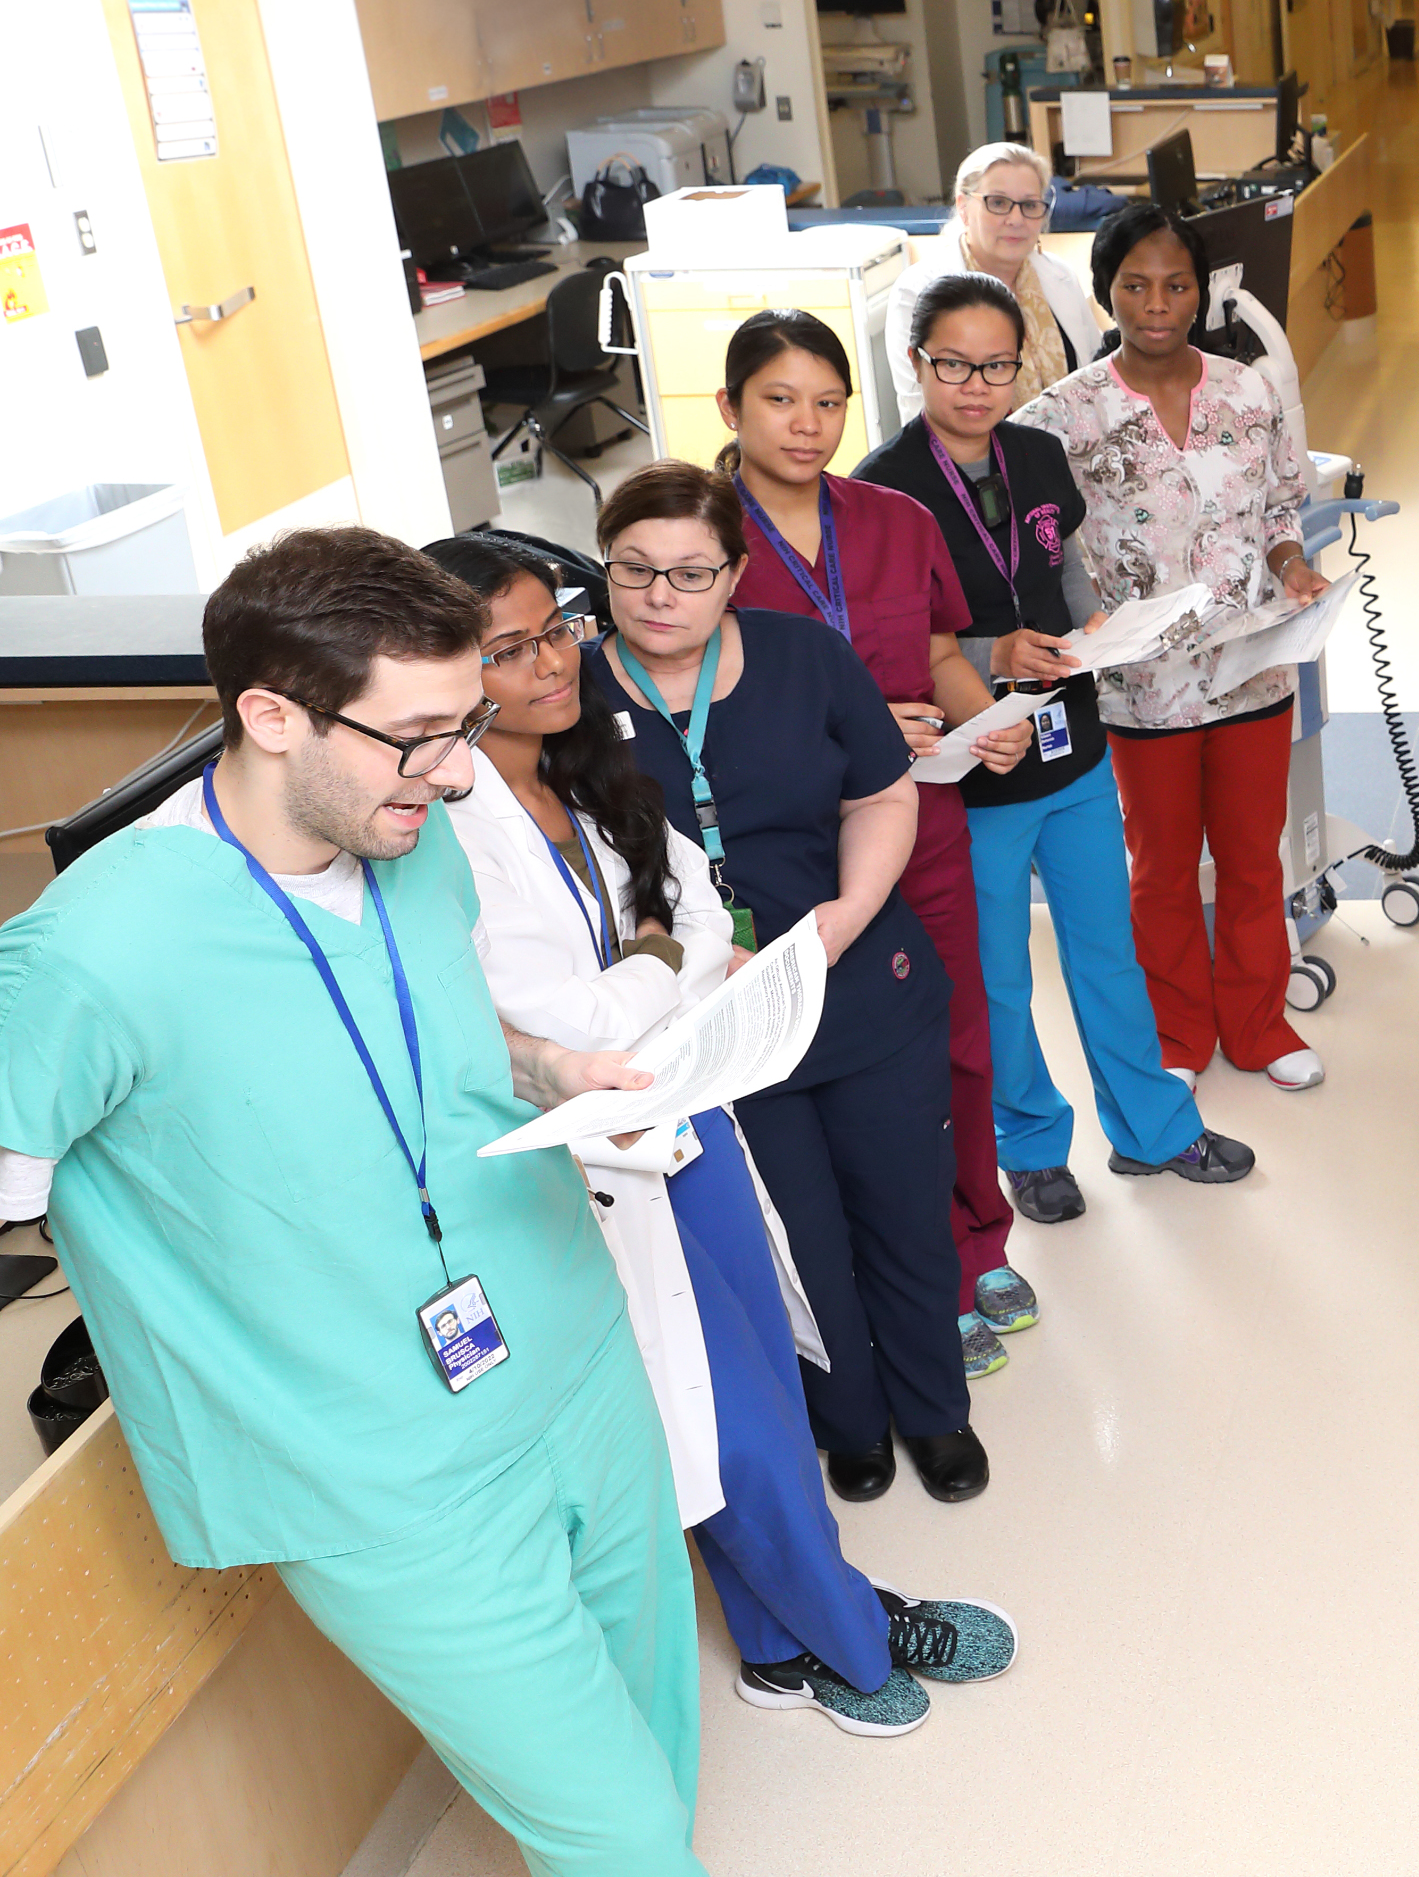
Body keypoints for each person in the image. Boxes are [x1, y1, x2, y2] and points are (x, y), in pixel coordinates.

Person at [0, 529, 706, 1874]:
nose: (457, 774)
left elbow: (437, 1016)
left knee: (653, 1738)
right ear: (270, 715)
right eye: (420, 737)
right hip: (376, 1468)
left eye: (468, 725)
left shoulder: (406, 833)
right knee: (617, 1833)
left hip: (572, 1349)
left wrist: (553, 1064)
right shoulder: (92, 951)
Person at [432, 532, 1018, 1736]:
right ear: (447, 672)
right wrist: (664, 954)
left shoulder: (572, 764)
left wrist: (665, 947)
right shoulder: (458, 825)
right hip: (608, 1154)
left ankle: (780, 1634)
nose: (555, 657)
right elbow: (586, 1013)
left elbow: (699, 898)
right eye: (513, 646)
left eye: (558, 627)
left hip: (682, 1117)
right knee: (727, 1414)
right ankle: (839, 1636)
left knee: (742, 1387)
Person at [595, 460, 990, 1505]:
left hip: (856, 982)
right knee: (797, 1237)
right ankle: (850, 1420)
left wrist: (847, 915)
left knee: (902, 1211)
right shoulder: (576, 699)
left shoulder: (804, 654)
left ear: (734, 573)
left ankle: (935, 1411)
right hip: (714, 1019)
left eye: (690, 571)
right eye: (634, 569)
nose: (660, 596)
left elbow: (882, 793)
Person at [856, 269, 1258, 1225]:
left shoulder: (1037, 456)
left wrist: (1103, 630)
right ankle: (1030, 1146)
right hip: (972, 766)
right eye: (953, 363)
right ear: (917, 365)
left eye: (997, 364)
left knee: (1105, 951)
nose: (976, 384)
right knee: (994, 975)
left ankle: (1154, 1128)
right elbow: (898, 633)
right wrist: (993, 657)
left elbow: (1064, 573)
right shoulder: (883, 489)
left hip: (1073, 746)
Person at [713, 308, 1032, 1380]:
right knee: (846, 1071)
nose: (808, 424)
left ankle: (976, 1237)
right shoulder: (701, 542)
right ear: (729, 407)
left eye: (829, 402)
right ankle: (894, 1276)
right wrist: (843, 725)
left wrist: (981, 715)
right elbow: (682, 693)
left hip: (922, 821)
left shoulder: (894, 518)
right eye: (780, 399)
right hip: (786, 851)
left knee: (955, 1038)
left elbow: (937, 650)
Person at [1016, 200, 1333, 1093]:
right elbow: (1042, 543)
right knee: (1158, 869)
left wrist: (1293, 568)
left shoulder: (1247, 389)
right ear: (1105, 293)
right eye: (1135, 285)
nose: (1157, 303)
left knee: (1248, 854)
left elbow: (1279, 507)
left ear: (1202, 292)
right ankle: (1179, 1036)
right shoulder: (1062, 415)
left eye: (1177, 284)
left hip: (1251, 665)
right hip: (1140, 683)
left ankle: (1260, 1026)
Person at [887, 140, 1100, 422]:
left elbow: (1095, 377)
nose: (1016, 219)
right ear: (963, 207)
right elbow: (919, 410)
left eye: (1029, 205)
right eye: (998, 203)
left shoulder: (1060, 276)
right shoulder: (916, 291)